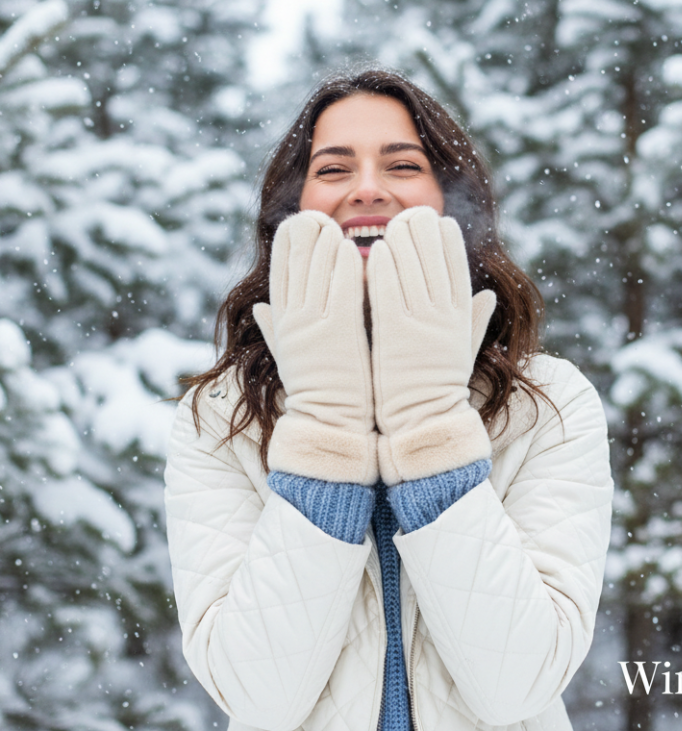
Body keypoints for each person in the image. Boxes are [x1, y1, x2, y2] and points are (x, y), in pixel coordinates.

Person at [164, 69, 613, 731]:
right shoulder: (221, 418)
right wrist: (323, 426)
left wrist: (431, 421)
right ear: (294, 210)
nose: (368, 190)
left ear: (453, 202)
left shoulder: (546, 403)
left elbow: (519, 685)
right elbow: (257, 695)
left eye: (403, 164)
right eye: (333, 168)